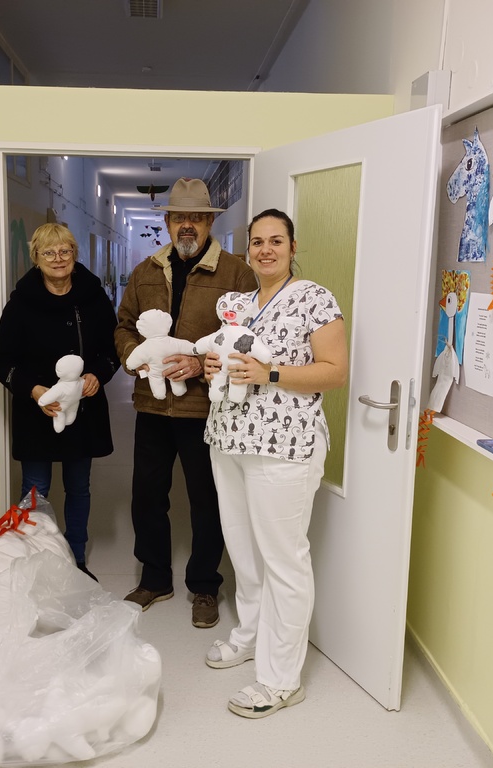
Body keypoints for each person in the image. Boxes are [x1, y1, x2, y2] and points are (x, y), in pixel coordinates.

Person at [202, 208, 348, 718]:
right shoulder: (238, 304)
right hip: (228, 440)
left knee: (284, 560)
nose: (266, 250)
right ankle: (248, 635)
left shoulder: (314, 299)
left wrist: (270, 374)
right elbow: (226, 361)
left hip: (284, 447)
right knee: (243, 551)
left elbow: (335, 371)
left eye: (276, 241)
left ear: (292, 247)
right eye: (257, 241)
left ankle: (282, 680)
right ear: (248, 249)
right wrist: (210, 366)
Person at [115, 178, 257, 628]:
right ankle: (155, 578)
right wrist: (135, 357)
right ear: (168, 222)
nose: (188, 225)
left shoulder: (236, 274)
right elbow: (123, 326)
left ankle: (205, 584)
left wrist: (200, 364)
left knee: (207, 499)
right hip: (152, 405)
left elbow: (247, 336)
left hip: (206, 409)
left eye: (197, 217)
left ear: (210, 223)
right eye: (180, 217)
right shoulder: (145, 272)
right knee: (146, 496)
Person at [0, 222, 120, 580]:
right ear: (36, 258)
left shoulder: (93, 297)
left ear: (74, 255)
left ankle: (76, 559)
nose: (58, 258)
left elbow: (112, 350)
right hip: (37, 413)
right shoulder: (20, 303)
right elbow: (1, 360)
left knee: (79, 487)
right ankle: (37, 561)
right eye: (49, 252)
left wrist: (98, 374)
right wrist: (33, 391)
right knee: (36, 490)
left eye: (65, 251)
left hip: (83, 411)